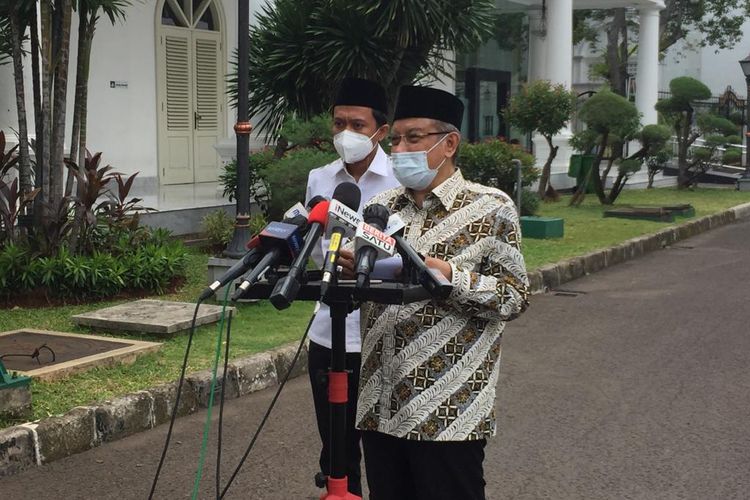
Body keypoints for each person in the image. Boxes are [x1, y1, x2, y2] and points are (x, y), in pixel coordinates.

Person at [338, 86, 530, 499]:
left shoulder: (491, 207)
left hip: (448, 410)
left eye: (414, 137)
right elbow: (361, 292)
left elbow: (514, 297)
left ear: (449, 143)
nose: (401, 148)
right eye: (396, 139)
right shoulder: (382, 206)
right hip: (380, 406)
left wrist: (450, 276)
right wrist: (354, 270)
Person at [304, 76, 401, 496]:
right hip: (328, 328)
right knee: (336, 449)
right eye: (339, 123)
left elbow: (410, 254)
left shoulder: (402, 178)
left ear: (379, 130)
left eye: (358, 125)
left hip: (383, 331)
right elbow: (312, 246)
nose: (347, 133)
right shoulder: (320, 178)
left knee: (386, 447)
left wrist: (368, 265)